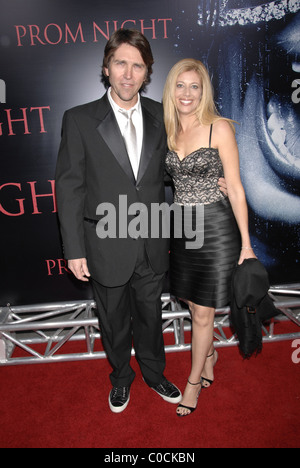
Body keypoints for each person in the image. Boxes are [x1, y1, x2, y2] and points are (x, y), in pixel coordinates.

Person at [55, 29, 182, 413]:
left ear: (147, 73)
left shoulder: (163, 114)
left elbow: (173, 171)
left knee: (150, 316)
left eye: (137, 66)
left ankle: (154, 372)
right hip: (105, 242)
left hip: (151, 239)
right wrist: (74, 250)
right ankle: (121, 378)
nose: (128, 74)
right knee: (113, 322)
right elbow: (70, 188)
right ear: (106, 68)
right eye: (121, 63)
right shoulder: (78, 119)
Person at [163, 58, 256, 417]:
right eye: (180, 85)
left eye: (195, 86)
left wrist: (246, 245)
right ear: (172, 90)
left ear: (204, 92)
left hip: (216, 228)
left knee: (203, 313)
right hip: (183, 228)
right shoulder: (169, 130)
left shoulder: (219, 128)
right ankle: (210, 352)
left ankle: (192, 382)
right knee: (190, 301)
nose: (187, 93)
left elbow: (235, 187)